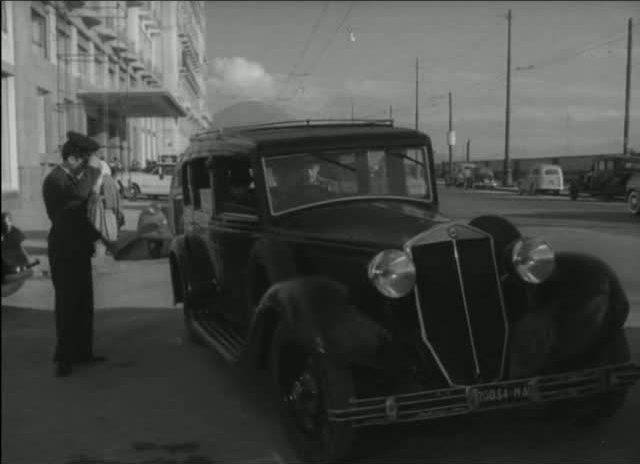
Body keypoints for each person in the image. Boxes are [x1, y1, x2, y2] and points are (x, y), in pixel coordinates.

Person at [42, 131, 113, 377]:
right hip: (63, 249)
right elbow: (76, 201)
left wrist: (101, 236)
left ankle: (83, 352)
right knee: (67, 304)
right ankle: (64, 358)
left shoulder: (72, 179)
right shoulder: (55, 181)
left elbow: (82, 214)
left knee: (84, 303)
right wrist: (94, 171)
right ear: (72, 158)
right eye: (83, 160)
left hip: (79, 247)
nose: (86, 165)